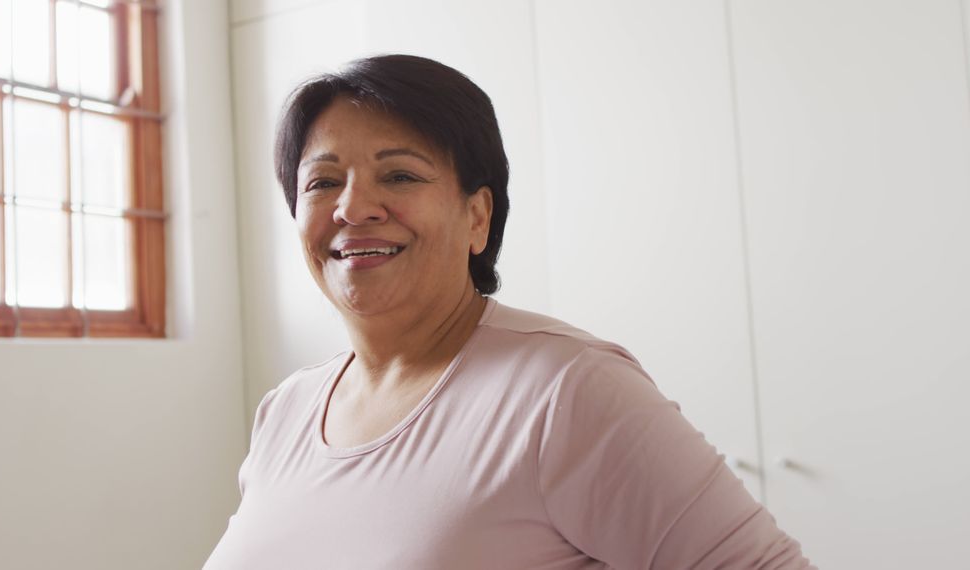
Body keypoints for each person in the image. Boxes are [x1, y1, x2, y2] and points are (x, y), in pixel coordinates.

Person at [204, 54, 814, 569]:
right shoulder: (285, 412)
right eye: (322, 183)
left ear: (477, 217)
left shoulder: (565, 390)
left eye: (399, 175)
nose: (353, 207)